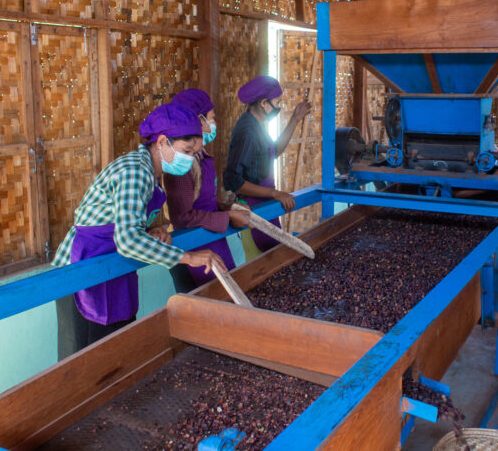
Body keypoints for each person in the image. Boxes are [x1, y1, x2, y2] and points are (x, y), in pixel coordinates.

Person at [53, 103, 228, 360]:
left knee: (114, 349)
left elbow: (124, 221)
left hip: (109, 264)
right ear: (162, 142)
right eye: (187, 151)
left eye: (194, 153)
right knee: (84, 359)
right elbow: (127, 240)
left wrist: (152, 230)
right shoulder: (135, 171)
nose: (190, 160)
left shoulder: (151, 171)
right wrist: (189, 257)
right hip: (81, 268)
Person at [163, 89, 247, 292]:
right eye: (212, 118)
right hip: (191, 244)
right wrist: (227, 217)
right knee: (207, 307)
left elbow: (202, 201)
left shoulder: (200, 155)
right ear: (197, 120)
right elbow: (182, 216)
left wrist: (226, 207)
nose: (214, 123)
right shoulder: (183, 163)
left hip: (209, 237)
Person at [223, 75, 311, 252]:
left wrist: (295, 119)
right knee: (262, 262)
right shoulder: (247, 131)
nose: (280, 106)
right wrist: (274, 193)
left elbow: (274, 151)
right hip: (252, 208)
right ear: (264, 103)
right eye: (277, 102)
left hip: (265, 203)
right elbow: (233, 181)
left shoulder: (259, 124)